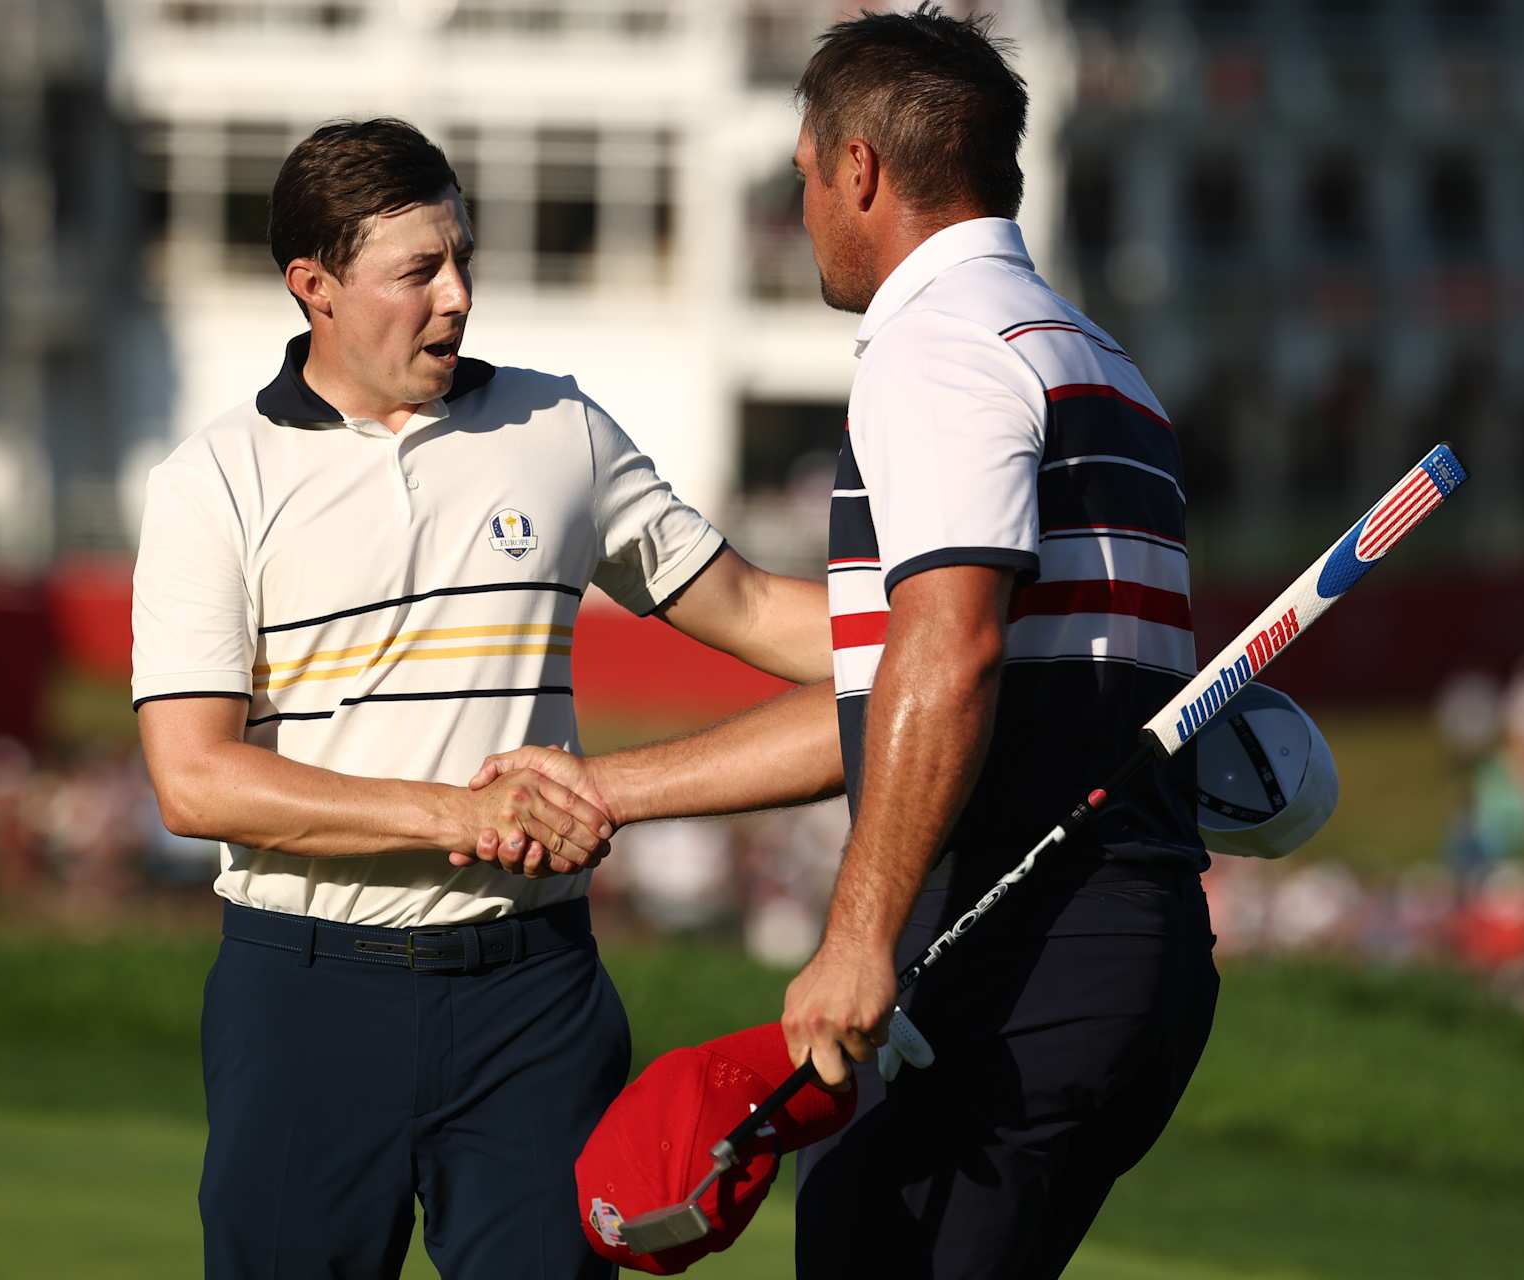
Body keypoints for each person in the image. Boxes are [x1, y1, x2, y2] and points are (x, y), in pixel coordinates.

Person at [469, 9, 1220, 1278]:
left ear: (860, 168)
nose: (804, 202)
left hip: (1003, 950)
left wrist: (858, 932)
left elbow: (949, 653)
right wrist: (609, 788)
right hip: (1126, 952)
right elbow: (897, 702)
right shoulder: (1097, 360)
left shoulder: (939, 346)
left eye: (805, 172)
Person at [131, 118, 830, 1279]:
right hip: (303, 993)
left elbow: (754, 607)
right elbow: (194, 779)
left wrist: (953, 639)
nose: (456, 295)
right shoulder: (213, 479)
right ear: (314, 286)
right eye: (418, 270)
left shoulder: (561, 428)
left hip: (534, 993)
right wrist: (456, 813)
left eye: (462, 258)